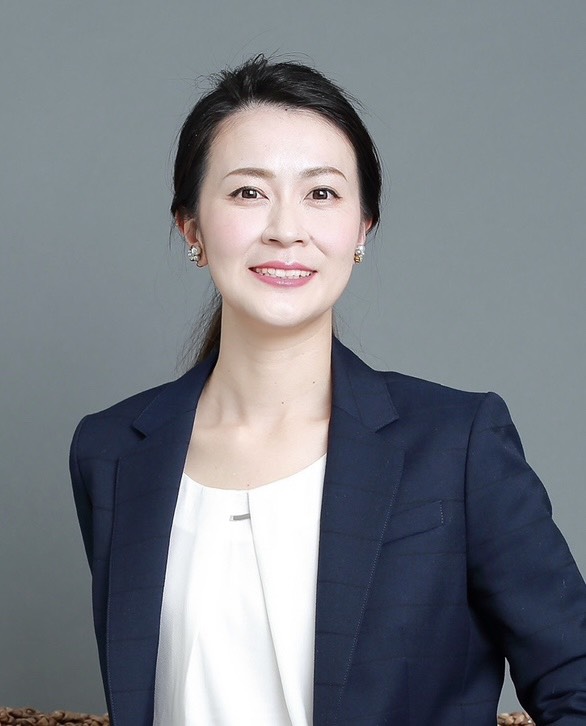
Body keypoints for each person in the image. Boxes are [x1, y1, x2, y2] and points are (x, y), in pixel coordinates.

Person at [70, 55, 586, 726]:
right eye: (248, 192)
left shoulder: (458, 446)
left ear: (362, 228)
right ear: (191, 228)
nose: (286, 229)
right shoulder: (112, 453)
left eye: (321, 193)